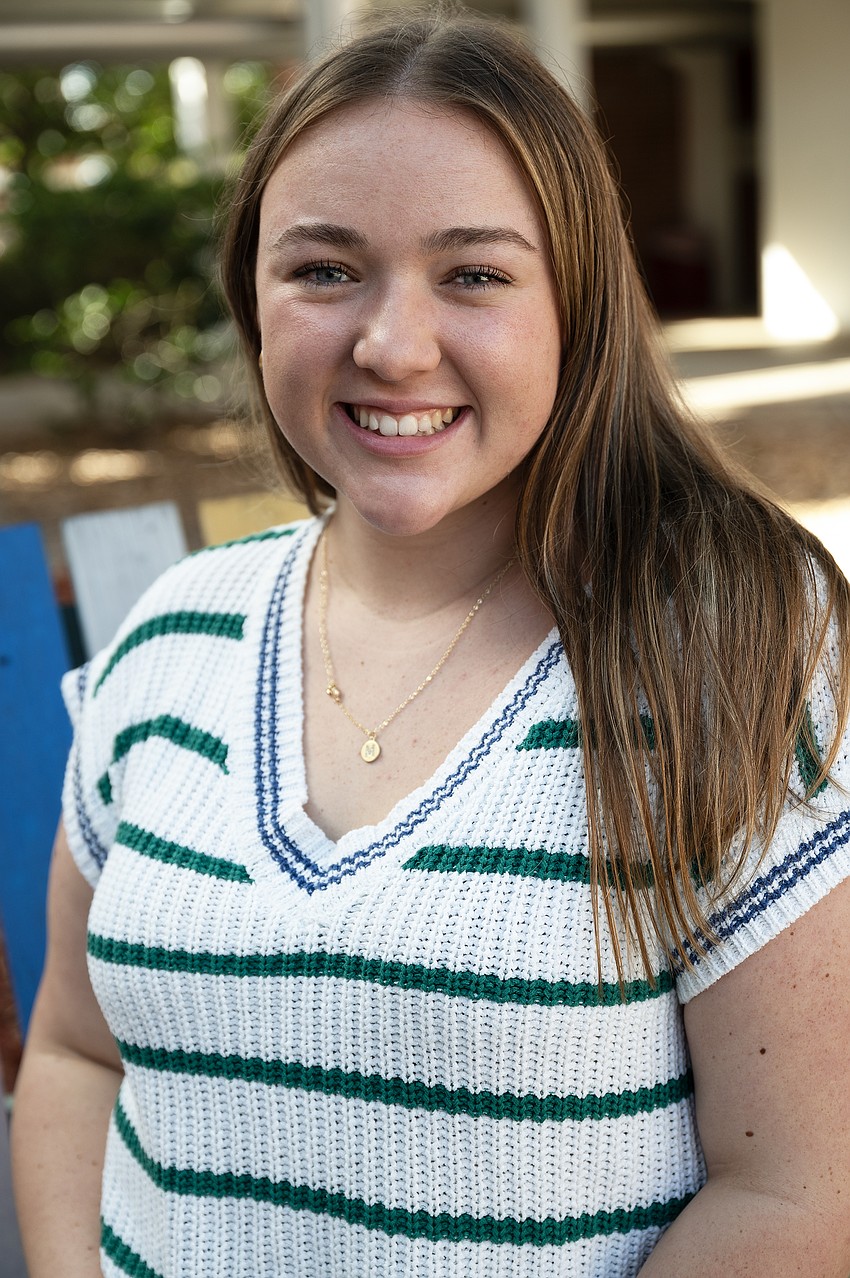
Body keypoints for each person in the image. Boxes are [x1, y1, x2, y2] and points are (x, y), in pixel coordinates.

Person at [11, 9, 850, 1277]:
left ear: (577, 308)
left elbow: (798, 1189)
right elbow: (75, 1052)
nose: (393, 346)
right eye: (325, 268)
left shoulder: (726, 655)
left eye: (473, 274)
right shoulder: (171, 637)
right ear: (254, 293)